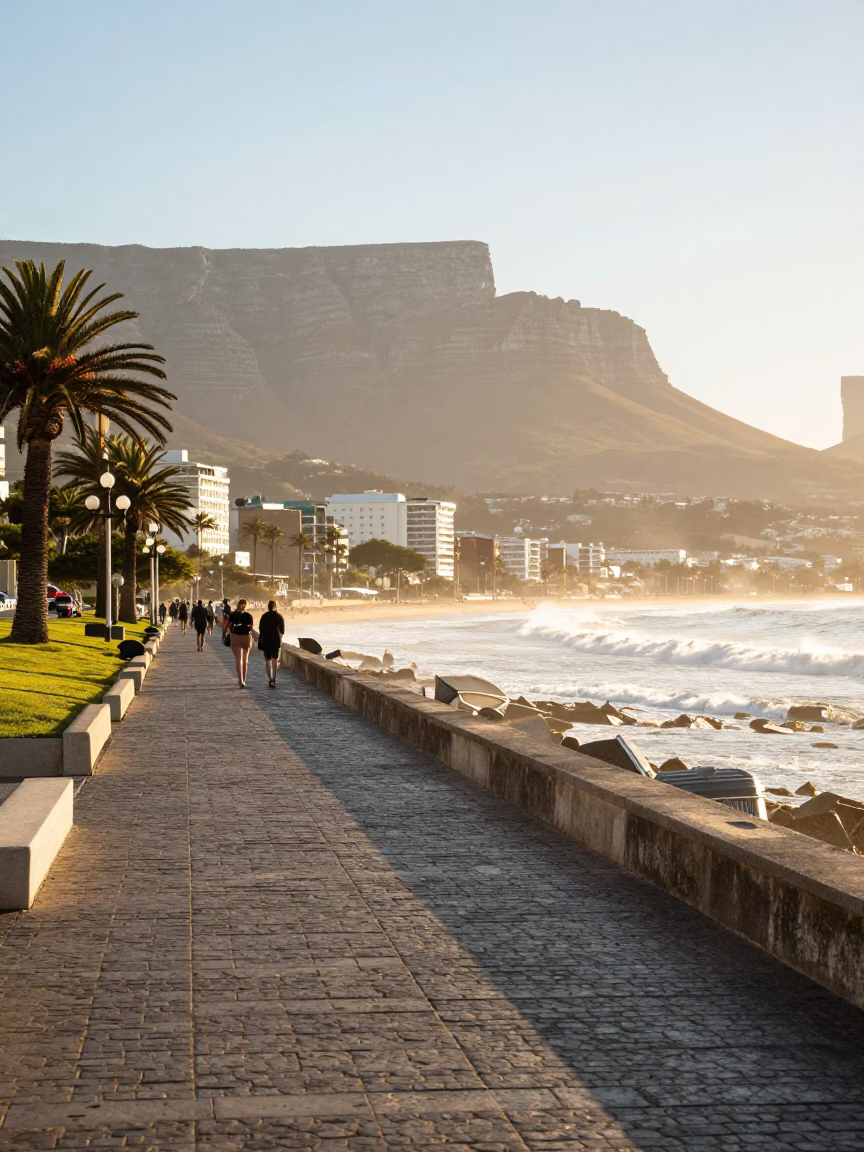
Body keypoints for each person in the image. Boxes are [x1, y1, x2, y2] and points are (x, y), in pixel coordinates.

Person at [257, 600, 285, 688]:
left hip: (266, 640)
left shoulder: (264, 616)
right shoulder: (279, 616)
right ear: (275, 606)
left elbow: (260, 629)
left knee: (268, 660)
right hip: (275, 640)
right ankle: (274, 678)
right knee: (275, 660)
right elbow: (282, 630)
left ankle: (270, 678)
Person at [228, 598, 254, 686]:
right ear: (246, 605)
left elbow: (229, 626)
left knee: (238, 660)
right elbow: (251, 628)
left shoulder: (232, 614)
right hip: (246, 637)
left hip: (235, 637)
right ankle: (244, 680)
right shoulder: (248, 615)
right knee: (245, 660)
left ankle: (240, 680)